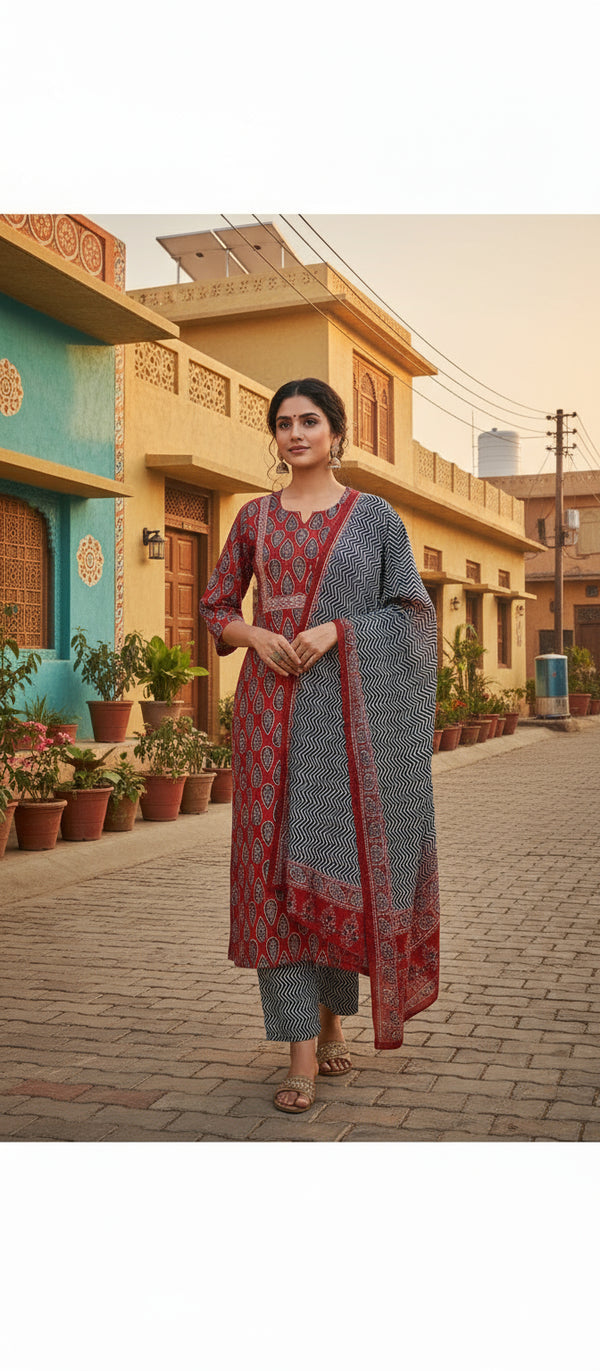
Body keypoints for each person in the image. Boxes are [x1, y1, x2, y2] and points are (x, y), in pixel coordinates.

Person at [199, 377, 440, 1115]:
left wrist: (338, 630)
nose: (295, 433)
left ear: (336, 432)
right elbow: (215, 606)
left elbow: (412, 612)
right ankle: (300, 1050)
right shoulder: (253, 519)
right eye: (283, 424)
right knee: (274, 871)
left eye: (309, 421)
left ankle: (335, 1017)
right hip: (271, 715)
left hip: (347, 717)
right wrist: (256, 635)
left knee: (332, 857)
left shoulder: (375, 520)